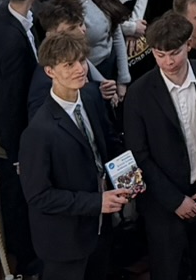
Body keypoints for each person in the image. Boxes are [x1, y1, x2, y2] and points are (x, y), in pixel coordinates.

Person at [123, 10, 196, 280]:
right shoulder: (138, 94)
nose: (168, 62)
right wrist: (175, 200)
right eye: (160, 55)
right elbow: (139, 155)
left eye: (174, 53)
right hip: (164, 204)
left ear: (188, 45)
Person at [22, 30, 136, 280]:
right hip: (65, 241)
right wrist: (97, 202)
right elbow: (38, 195)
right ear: (50, 71)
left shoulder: (91, 96)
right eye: (68, 65)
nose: (80, 69)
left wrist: (129, 178)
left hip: (100, 229)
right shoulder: (38, 131)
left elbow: (108, 142)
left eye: (82, 60)